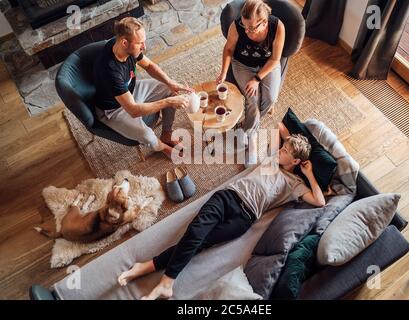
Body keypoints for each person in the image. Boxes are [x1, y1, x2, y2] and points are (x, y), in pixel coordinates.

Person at [117, 130, 325, 300]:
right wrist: (292, 142)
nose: (280, 150)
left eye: (286, 151)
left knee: (201, 241)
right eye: (283, 147)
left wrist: (309, 174)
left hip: (245, 218)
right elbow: (279, 127)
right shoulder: (272, 159)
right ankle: (166, 282)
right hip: (228, 197)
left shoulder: (294, 184)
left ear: (296, 161)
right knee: (196, 231)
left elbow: (319, 201)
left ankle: (146, 267)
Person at [93, 17, 192, 159]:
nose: (144, 47)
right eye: (140, 43)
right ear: (124, 42)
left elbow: (149, 66)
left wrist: (170, 82)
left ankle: (166, 134)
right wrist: (169, 102)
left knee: (170, 90)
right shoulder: (110, 70)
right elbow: (133, 110)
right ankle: (163, 147)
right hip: (113, 109)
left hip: (131, 90)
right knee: (147, 135)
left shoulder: (126, 48)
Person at [216, 0, 285, 165]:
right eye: (244, 25)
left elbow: (276, 58)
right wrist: (224, 71)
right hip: (242, 64)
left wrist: (257, 79)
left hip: (268, 64)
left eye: (251, 28)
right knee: (252, 100)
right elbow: (228, 49)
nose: (246, 31)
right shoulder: (237, 26)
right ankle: (252, 139)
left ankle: (245, 128)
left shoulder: (277, 27)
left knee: (269, 98)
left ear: (264, 22)